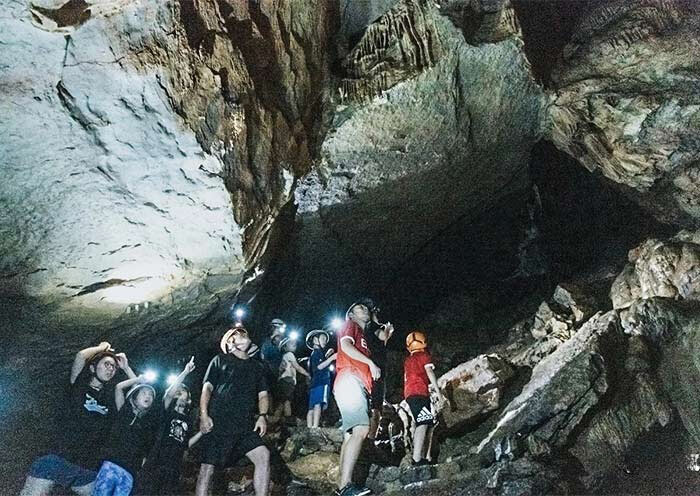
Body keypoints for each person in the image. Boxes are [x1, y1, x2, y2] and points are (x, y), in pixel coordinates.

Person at [20, 342, 136, 496]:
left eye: (114, 367)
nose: (110, 368)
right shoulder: (79, 387)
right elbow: (81, 356)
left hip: (86, 467)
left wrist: (126, 368)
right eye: (106, 364)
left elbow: (139, 399)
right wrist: (101, 348)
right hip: (57, 458)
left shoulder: (110, 399)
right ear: (93, 368)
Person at [195, 327, 271, 496]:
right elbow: (206, 389)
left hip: (244, 425)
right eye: (237, 334)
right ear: (230, 342)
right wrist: (204, 415)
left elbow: (263, 395)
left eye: (244, 333)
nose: (242, 335)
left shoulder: (257, 367)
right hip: (219, 422)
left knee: (263, 455)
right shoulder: (219, 360)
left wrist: (262, 416)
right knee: (207, 467)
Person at [334, 300, 382, 496]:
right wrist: (370, 363)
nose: (365, 309)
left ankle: (341, 485)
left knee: (349, 435)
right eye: (359, 308)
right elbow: (345, 346)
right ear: (351, 315)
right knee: (362, 429)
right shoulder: (350, 326)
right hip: (350, 378)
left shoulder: (363, 336)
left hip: (353, 383)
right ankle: (346, 486)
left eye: (365, 308)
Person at [139, 356, 203, 495]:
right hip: (157, 461)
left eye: (182, 390)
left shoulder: (188, 420)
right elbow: (168, 394)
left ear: (189, 398)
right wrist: (185, 372)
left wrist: (201, 433)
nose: (179, 392)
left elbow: (186, 444)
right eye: (177, 390)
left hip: (174, 466)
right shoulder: (167, 412)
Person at [92, 373, 158, 495]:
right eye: (144, 393)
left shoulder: (147, 425)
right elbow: (119, 387)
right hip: (111, 466)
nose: (148, 396)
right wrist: (138, 379)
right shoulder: (124, 411)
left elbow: (145, 452)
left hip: (129, 473)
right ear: (134, 397)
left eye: (151, 395)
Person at [403, 331, 445, 466]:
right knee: (423, 422)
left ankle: (425, 457)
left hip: (411, 393)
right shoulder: (424, 356)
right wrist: (438, 391)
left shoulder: (408, 360)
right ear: (424, 343)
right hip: (419, 392)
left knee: (426, 423)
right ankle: (417, 459)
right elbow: (429, 372)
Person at [361, 299, 394, 441]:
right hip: (377, 368)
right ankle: (371, 439)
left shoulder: (366, 329)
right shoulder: (373, 326)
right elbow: (384, 336)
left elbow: (383, 342)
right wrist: (387, 329)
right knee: (376, 404)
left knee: (373, 403)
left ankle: (368, 437)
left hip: (373, 366)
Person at [276, 336, 311, 424]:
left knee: (282, 400)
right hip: (288, 380)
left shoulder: (285, 356)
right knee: (288, 400)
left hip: (282, 381)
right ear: (285, 347)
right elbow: (297, 367)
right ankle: (288, 419)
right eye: (291, 344)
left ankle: (276, 418)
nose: (294, 345)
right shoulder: (289, 355)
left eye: (294, 344)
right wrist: (307, 374)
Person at [305, 329, 337, 428]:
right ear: (315, 339)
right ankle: (315, 426)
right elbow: (319, 367)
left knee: (311, 407)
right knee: (318, 404)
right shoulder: (317, 352)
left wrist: (327, 356)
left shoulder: (315, 353)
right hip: (321, 382)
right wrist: (332, 358)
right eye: (322, 338)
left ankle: (310, 427)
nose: (325, 341)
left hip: (314, 383)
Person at [260, 318, 286, 414]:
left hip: (278, 373)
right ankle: (269, 413)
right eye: (281, 327)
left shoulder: (280, 345)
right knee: (269, 393)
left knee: (278, 395)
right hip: (269, 372)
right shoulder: (267, 343)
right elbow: (264, 358)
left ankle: (276, 416)